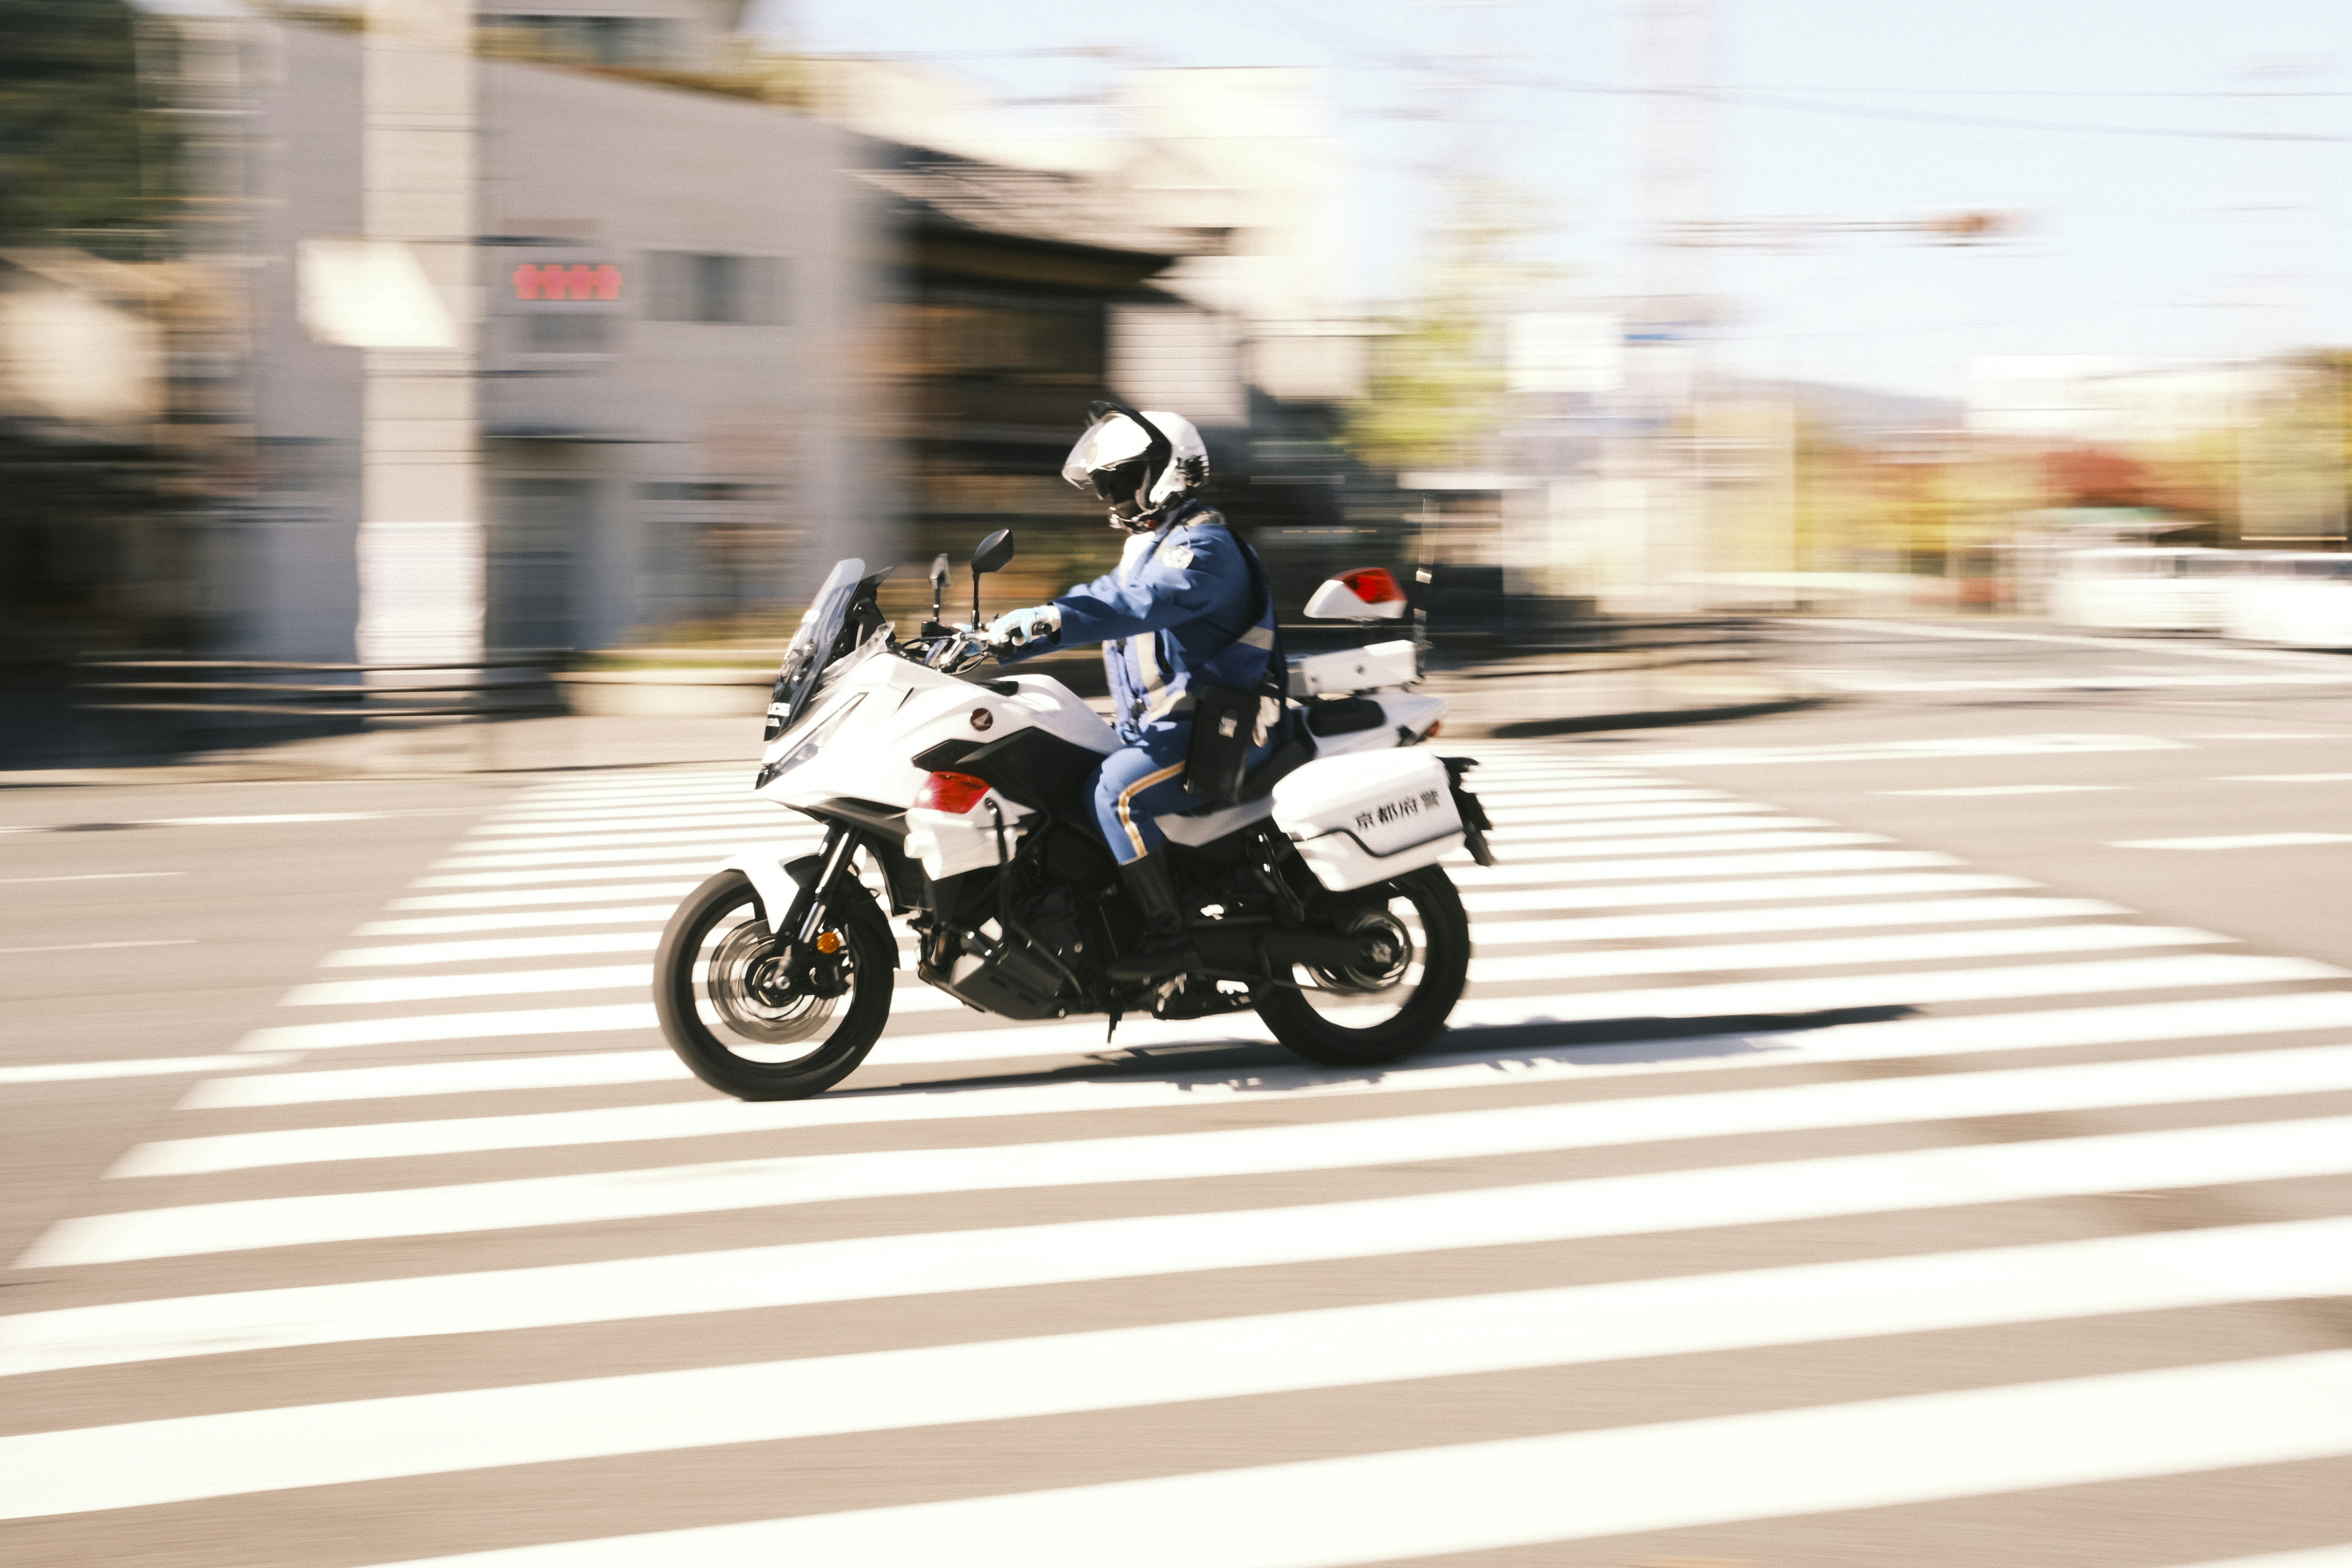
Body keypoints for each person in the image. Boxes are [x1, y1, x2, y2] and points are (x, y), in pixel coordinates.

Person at [985, 401, 1283, 981]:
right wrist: (993, 637)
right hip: (1169, 730)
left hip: (1219, 735)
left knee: (1115, 793)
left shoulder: (1204, 550)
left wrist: (1039, 622)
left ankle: (1171, 943)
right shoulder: (1151, 548)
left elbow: (1131, 606)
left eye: (1122, 481)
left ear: (1169, 470)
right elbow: (1096, 597)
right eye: (1105, 485)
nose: (1111, 497)